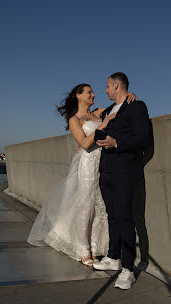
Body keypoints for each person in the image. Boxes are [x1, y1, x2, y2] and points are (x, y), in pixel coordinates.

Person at [27, 83, 136, 267]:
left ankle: (94, 249)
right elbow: (85, 144)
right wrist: (102, 125)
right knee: (85, 206)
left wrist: (129, 96)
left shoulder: (98, 113)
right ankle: (82, 250)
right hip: (87, 164)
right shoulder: (74, 119)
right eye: (89, 92)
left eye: (92, 92)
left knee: (98, 207)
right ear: (79, 96)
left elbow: (119, 105)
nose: (93, 95)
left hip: (102, 164)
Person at [93, 72, 150, 290]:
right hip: (106, 171)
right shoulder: (107, 111)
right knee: (112, 216)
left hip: (126, 172)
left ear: (117, 86)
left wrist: (117, 142)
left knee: (126, 219)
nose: (105, 90)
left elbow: (142, 138)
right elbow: (98, 135)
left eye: (107, 86)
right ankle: (113, 257)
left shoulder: (137, 106)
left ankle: (128, 269)